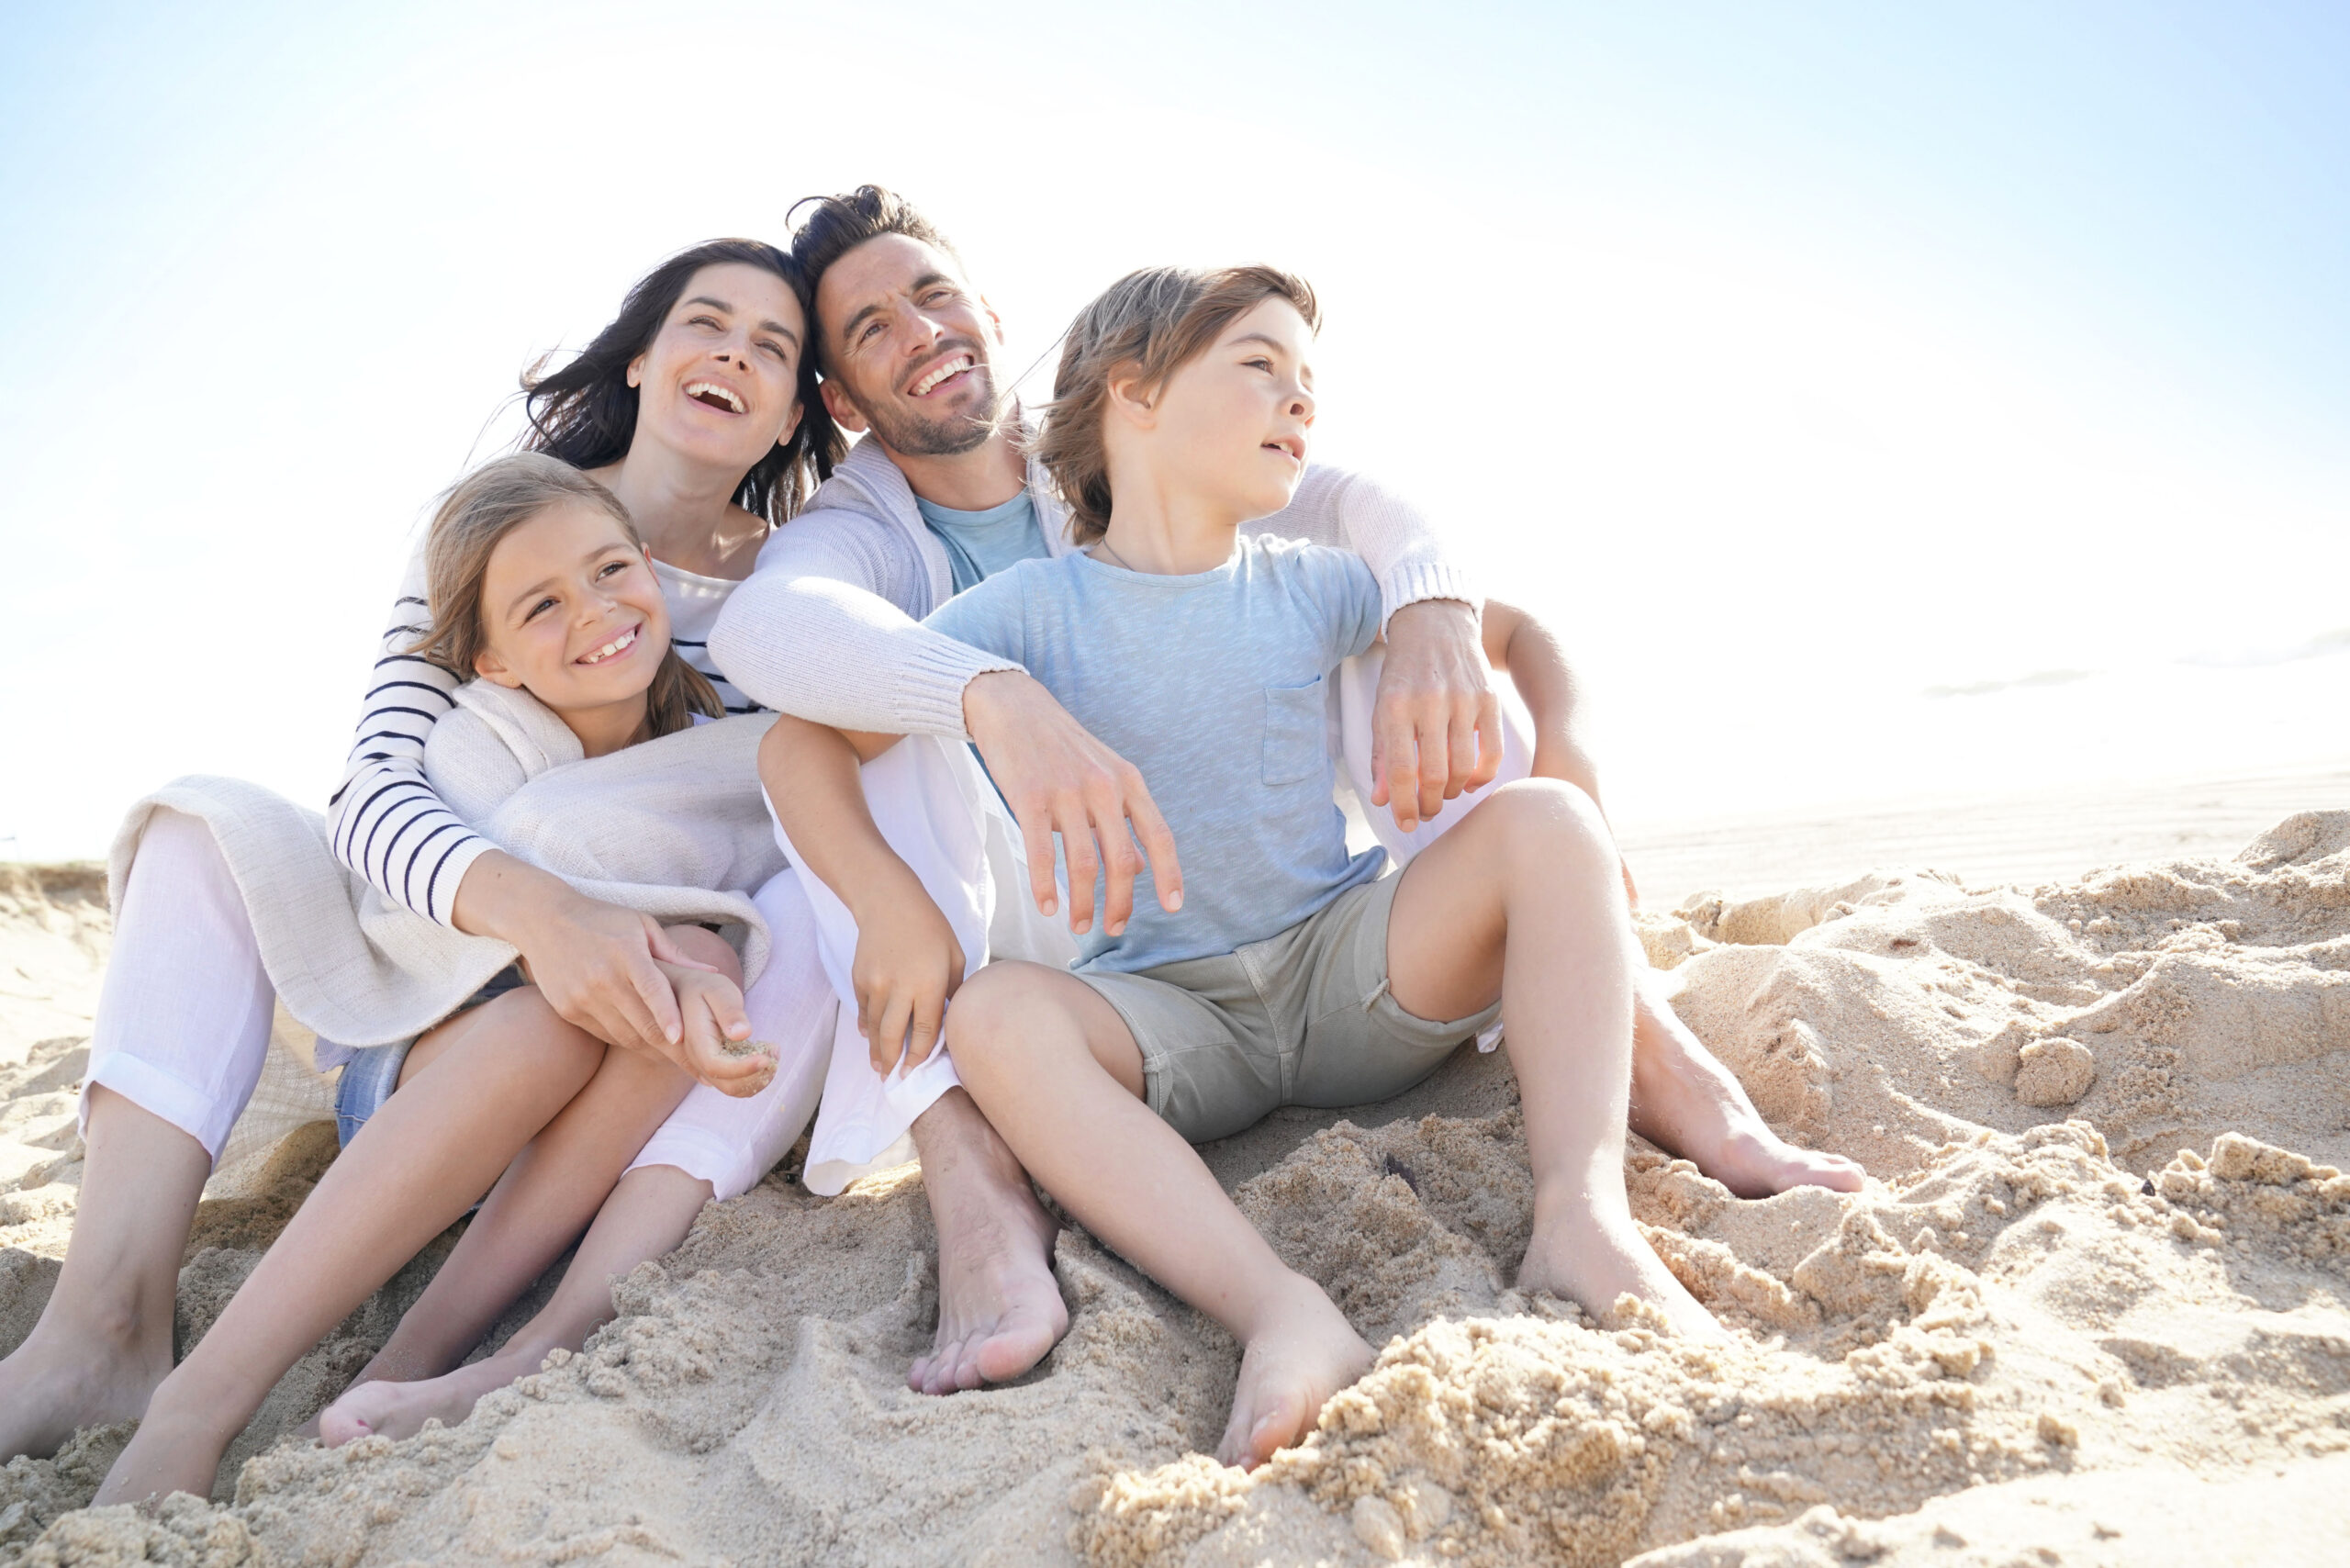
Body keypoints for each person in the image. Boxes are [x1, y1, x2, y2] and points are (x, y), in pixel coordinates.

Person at [710, 188, 1861, 1397]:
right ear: (1135, 396)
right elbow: (799, 743)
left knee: (1544, 824)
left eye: (1304, 375)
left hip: (1351, 977)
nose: (1299, 399)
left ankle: (1581, 1212)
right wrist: (890, 897)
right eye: (1261, 368)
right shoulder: (1018, 618)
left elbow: (1520, 634)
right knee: (995, 1015)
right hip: (1169, 1023)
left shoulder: (1309, 582)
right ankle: (1280, 1311)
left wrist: (1560, 761)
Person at [0, 240, 845, 1467]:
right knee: (200, 821)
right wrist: (547, 916)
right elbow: (378, 784)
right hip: (444, 965)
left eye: (774, 347)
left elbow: (755, 819)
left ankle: (381, 1364)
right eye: (706, 324)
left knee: (667, 970)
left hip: (620, 1041)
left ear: (792, 410)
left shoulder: (794, 587)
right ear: (646, 358)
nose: (734, 354)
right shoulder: (507, 517)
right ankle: (102, 1325)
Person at [98, 456, 786, 1503]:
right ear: (491, 660)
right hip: (428, 1082)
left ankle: (407, 1362)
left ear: (649, 566)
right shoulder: (473, 748)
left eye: (610, 571)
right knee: (552, 1020)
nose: (594, 611)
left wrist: (687, 963)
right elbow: (404, 936)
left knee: (694, 964)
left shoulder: (711, 740)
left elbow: (739, 888)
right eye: (542, 606)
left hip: (573, 1139)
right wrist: (592, 945)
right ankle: (200, 1403)